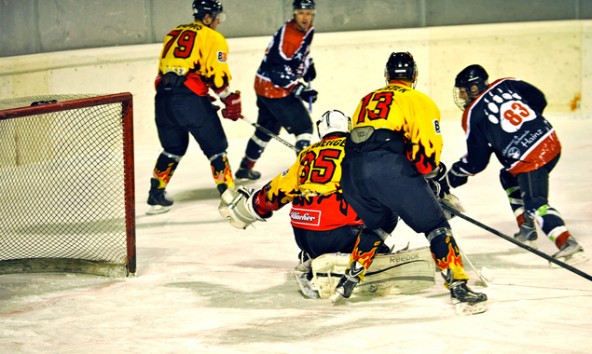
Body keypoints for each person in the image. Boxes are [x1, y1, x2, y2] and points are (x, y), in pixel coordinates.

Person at [337, 52, 487, 314]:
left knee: (381, 222)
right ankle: (459, 288)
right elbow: (427, 156)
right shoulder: (419, 100)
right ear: (414, 76)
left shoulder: (366, 99)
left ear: (387, 76)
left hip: (350, 174)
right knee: (436, 225)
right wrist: (434, 179)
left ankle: (350, 278)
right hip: (387, 169)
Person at [219, 110, 390, 298]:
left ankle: (312, 256)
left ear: (320, 130)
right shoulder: (358, 151)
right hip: (341, 233)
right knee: (385, 209)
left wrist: (253, 205)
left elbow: (275, 193)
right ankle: (367, 256)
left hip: (305, 237)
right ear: (349, 127)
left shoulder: (306, 155)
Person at [438, 64, 586, 263]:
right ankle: (526, 228)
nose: (462, 97)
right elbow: (538, 98)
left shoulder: (473, 114)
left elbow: (477, 161)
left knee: (536, 203)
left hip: (530, 159)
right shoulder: (507, 83)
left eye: (464, 92)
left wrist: (456, 174)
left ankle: (568, 244)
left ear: (474, 88)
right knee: (508, 176)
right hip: (551, 141)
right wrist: (528, 126)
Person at [146, 0, 243, 215]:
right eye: (217, 16)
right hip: (189, 101)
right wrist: (227, 98)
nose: (219, 21)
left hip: (163, 99)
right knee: (216, 148)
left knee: (172, 148)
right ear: (207, 17)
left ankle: (155, 195)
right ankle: (229, 197)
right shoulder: (213, 37)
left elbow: (168, 71)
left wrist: (196, 92)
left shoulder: (174, 32)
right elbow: (218, 76)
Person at [234, 0, 319, 181]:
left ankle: (245, 168)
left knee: (267, 128)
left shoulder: (307, 30)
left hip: (264, 85)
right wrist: (299, 89)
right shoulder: (288, 36)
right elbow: (277, 70)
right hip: (272, 88)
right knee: (303, 126)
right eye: (302, 13)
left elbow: (298, 55)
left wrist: (308, 66)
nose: (306, 17)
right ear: (295, 13)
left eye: (309, 13)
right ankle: (306, 176)